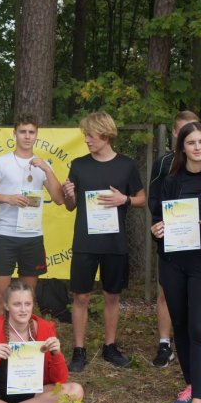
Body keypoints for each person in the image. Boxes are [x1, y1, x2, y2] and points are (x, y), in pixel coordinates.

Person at [149, 123, 201, 403]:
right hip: (172, 263)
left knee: (197, 328)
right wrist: (157, 231)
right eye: (191, 142)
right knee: (180, 326)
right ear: (182, 147)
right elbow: (158, 219)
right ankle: (191, 383)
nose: (197, 147)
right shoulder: (170, 181)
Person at [63, 112, 146, 371]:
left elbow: (142, 199)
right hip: (85, 242)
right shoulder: (78, 165)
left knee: (112, 295)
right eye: (85, 135)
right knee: (81, 296)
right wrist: (69, 195)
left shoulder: (126, 165)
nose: (86, 140)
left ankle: (110, 347)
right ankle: (79, 350)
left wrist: (125, 200)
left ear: (106, 134)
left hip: (114, 243)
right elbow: (70, 206)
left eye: (91, 135)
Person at [0, 114, 64, 321]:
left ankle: (22, 339)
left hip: (32, 237)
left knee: (27, 298)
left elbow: (59, 199)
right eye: (23, 132)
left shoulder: (43, 165)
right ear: (15, 134)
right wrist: (7, 198)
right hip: (6, 235)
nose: (27, 136)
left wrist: (47, 169)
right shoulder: (1, 162)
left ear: (37, 135)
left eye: (31, 132)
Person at [148, 110, 200, 368]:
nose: (190, 136)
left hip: (199, 241)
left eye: (194, 129)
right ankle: (165, 344)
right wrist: (161, 223)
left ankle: (198, 346)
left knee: (198, 296)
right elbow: (153, 199)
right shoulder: (163, 163)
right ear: (175, 133)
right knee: (166, 293)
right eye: (183, 131)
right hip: (171, 238)